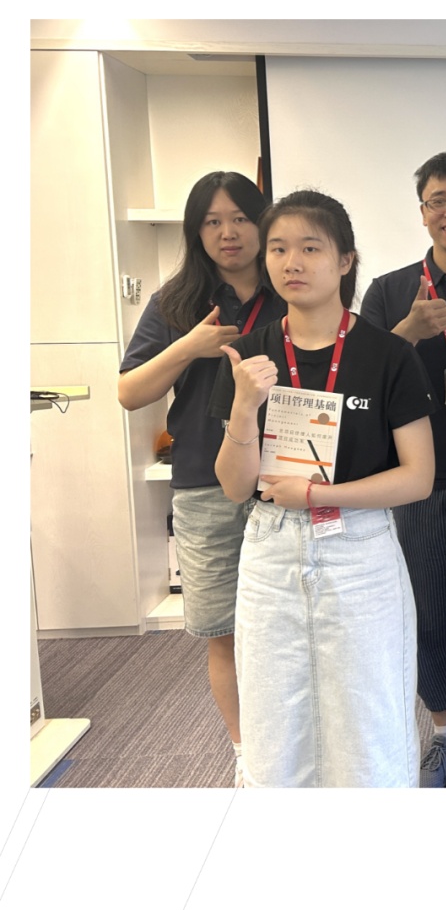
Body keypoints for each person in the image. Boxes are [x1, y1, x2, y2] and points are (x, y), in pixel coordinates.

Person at [211, 190, 436, 787]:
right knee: (274, 719)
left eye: (311, 248)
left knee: (367, 716)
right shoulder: (248, 356)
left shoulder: (388, 355)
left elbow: (418, 477)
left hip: (358, 549)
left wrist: (319, 496)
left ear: (344, 261)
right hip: (271, 549)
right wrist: (243, 406)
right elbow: (234, 486)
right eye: (278, 249)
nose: (293, 262)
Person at [118, 171, 287, 788]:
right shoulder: (176, 301)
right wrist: (189, 345)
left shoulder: (292, 287)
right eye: (212, 222)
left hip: (287, 481)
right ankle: (246, 756)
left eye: (240, 218)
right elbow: (129, 391)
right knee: (224, 631)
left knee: (289, 627)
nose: (228, 232)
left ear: (262, 221)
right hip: (203, 485)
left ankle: (290, 743)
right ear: (196, 231)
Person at [359, 151, 446, 787]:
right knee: (430, 615)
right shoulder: (390, 291)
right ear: (422, 212)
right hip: (417, 483)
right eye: (439, 200)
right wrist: (407, 332)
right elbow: (359, 382)